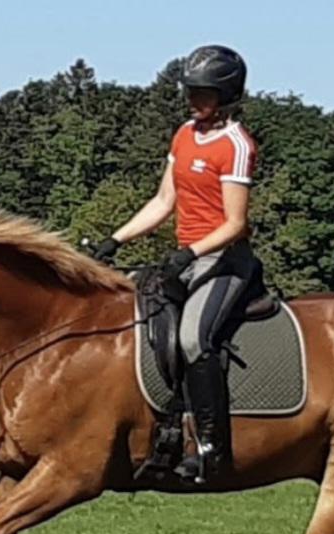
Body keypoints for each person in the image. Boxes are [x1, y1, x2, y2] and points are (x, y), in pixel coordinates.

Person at [93, 44, 257, 483]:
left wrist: (190, 252)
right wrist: (115, 240)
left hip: (224, 261)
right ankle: (162, 429)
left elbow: (236, 223)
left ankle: (211, 449)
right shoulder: (184, 134)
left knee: (192, 338)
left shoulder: (236, 145)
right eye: (190, 91)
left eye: (203, 93)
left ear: (226, 96)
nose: (193, 100)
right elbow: (164, 200)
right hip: (188, 259)